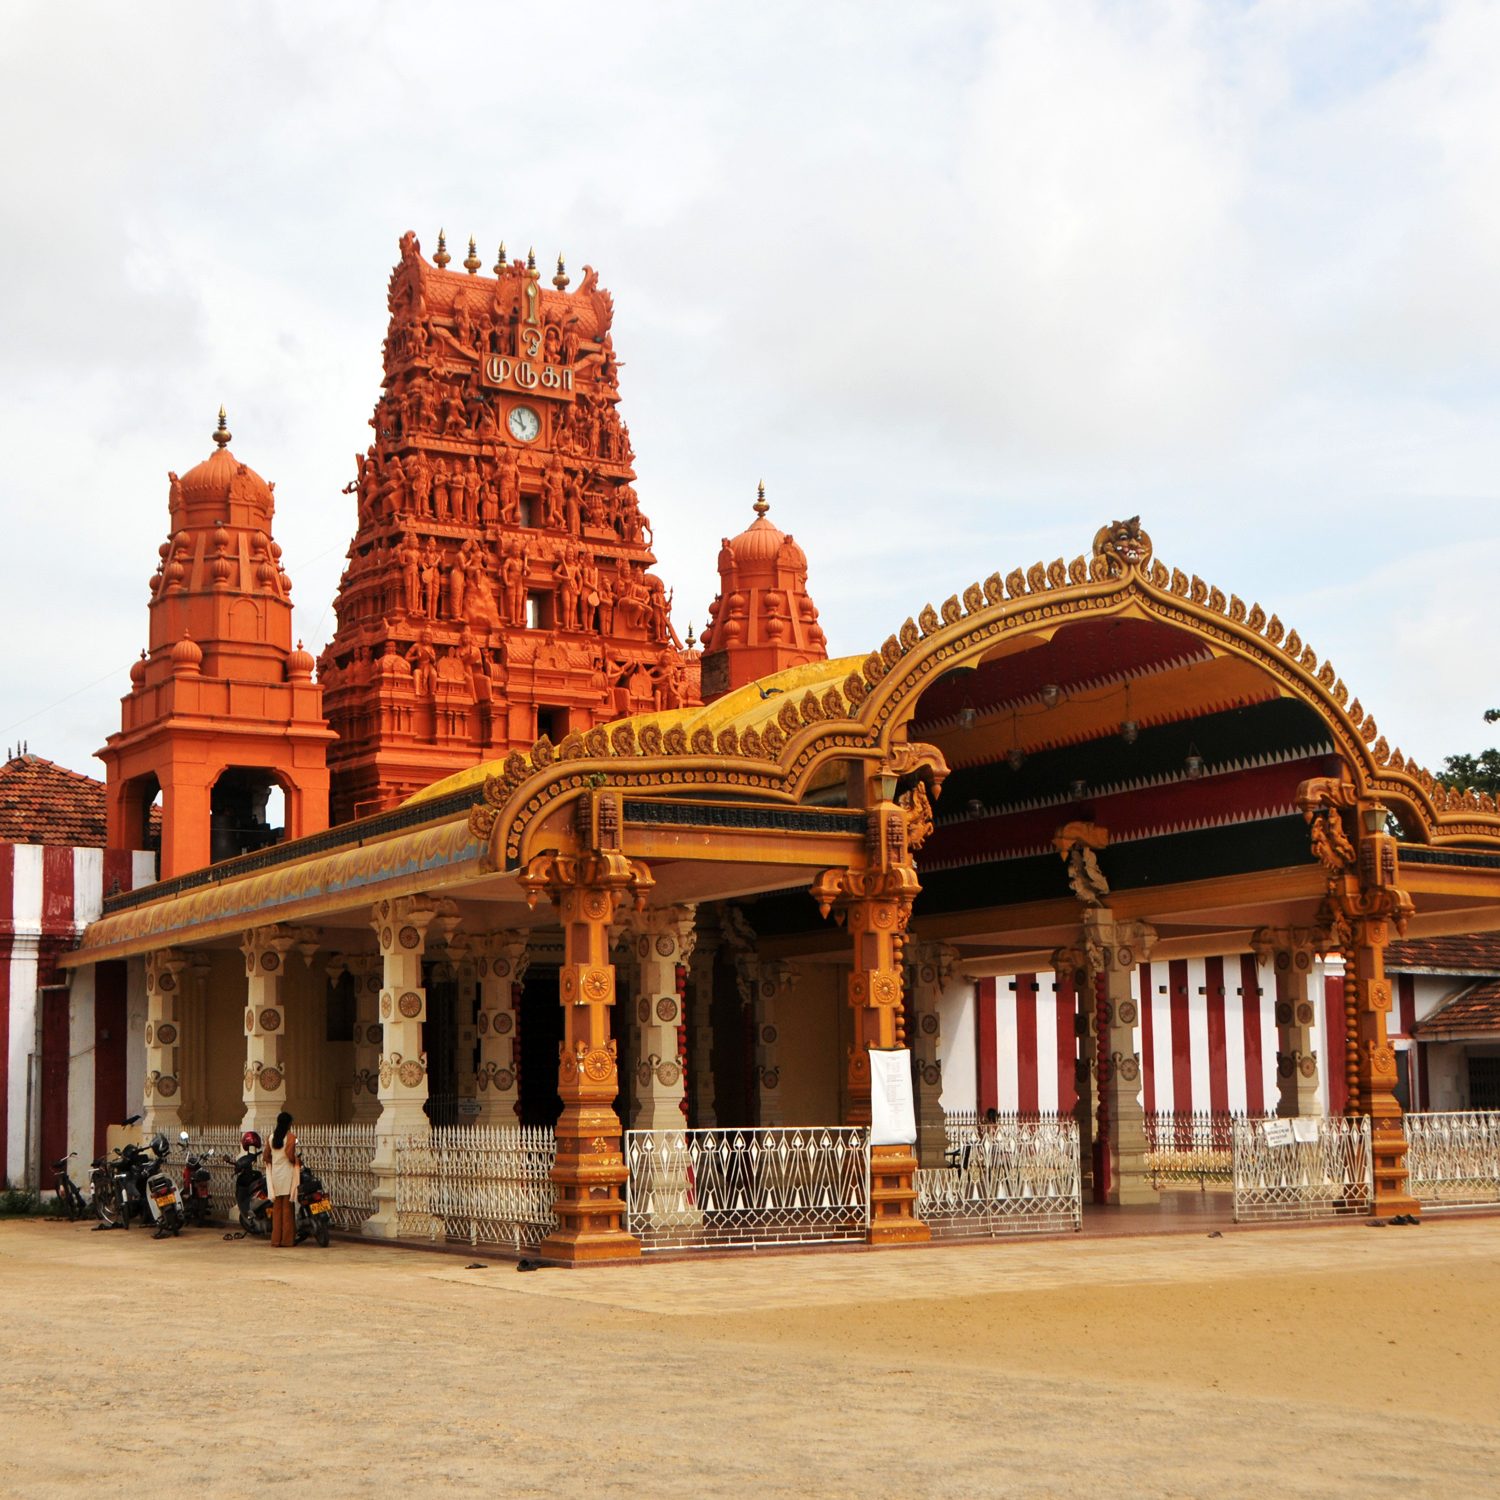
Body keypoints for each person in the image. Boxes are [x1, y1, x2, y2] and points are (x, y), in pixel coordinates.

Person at [264, 1111, 300, 1248]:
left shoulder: (271, 1137)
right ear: (289, 1123)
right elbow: (290, 1156)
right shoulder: (290, 1137)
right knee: (287, 1209)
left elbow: (266, 1156)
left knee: (277, 1208)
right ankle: (287, 1240)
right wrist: (297, 1161)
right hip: (287, 1173)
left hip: (275, 1174)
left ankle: (275, 1240)